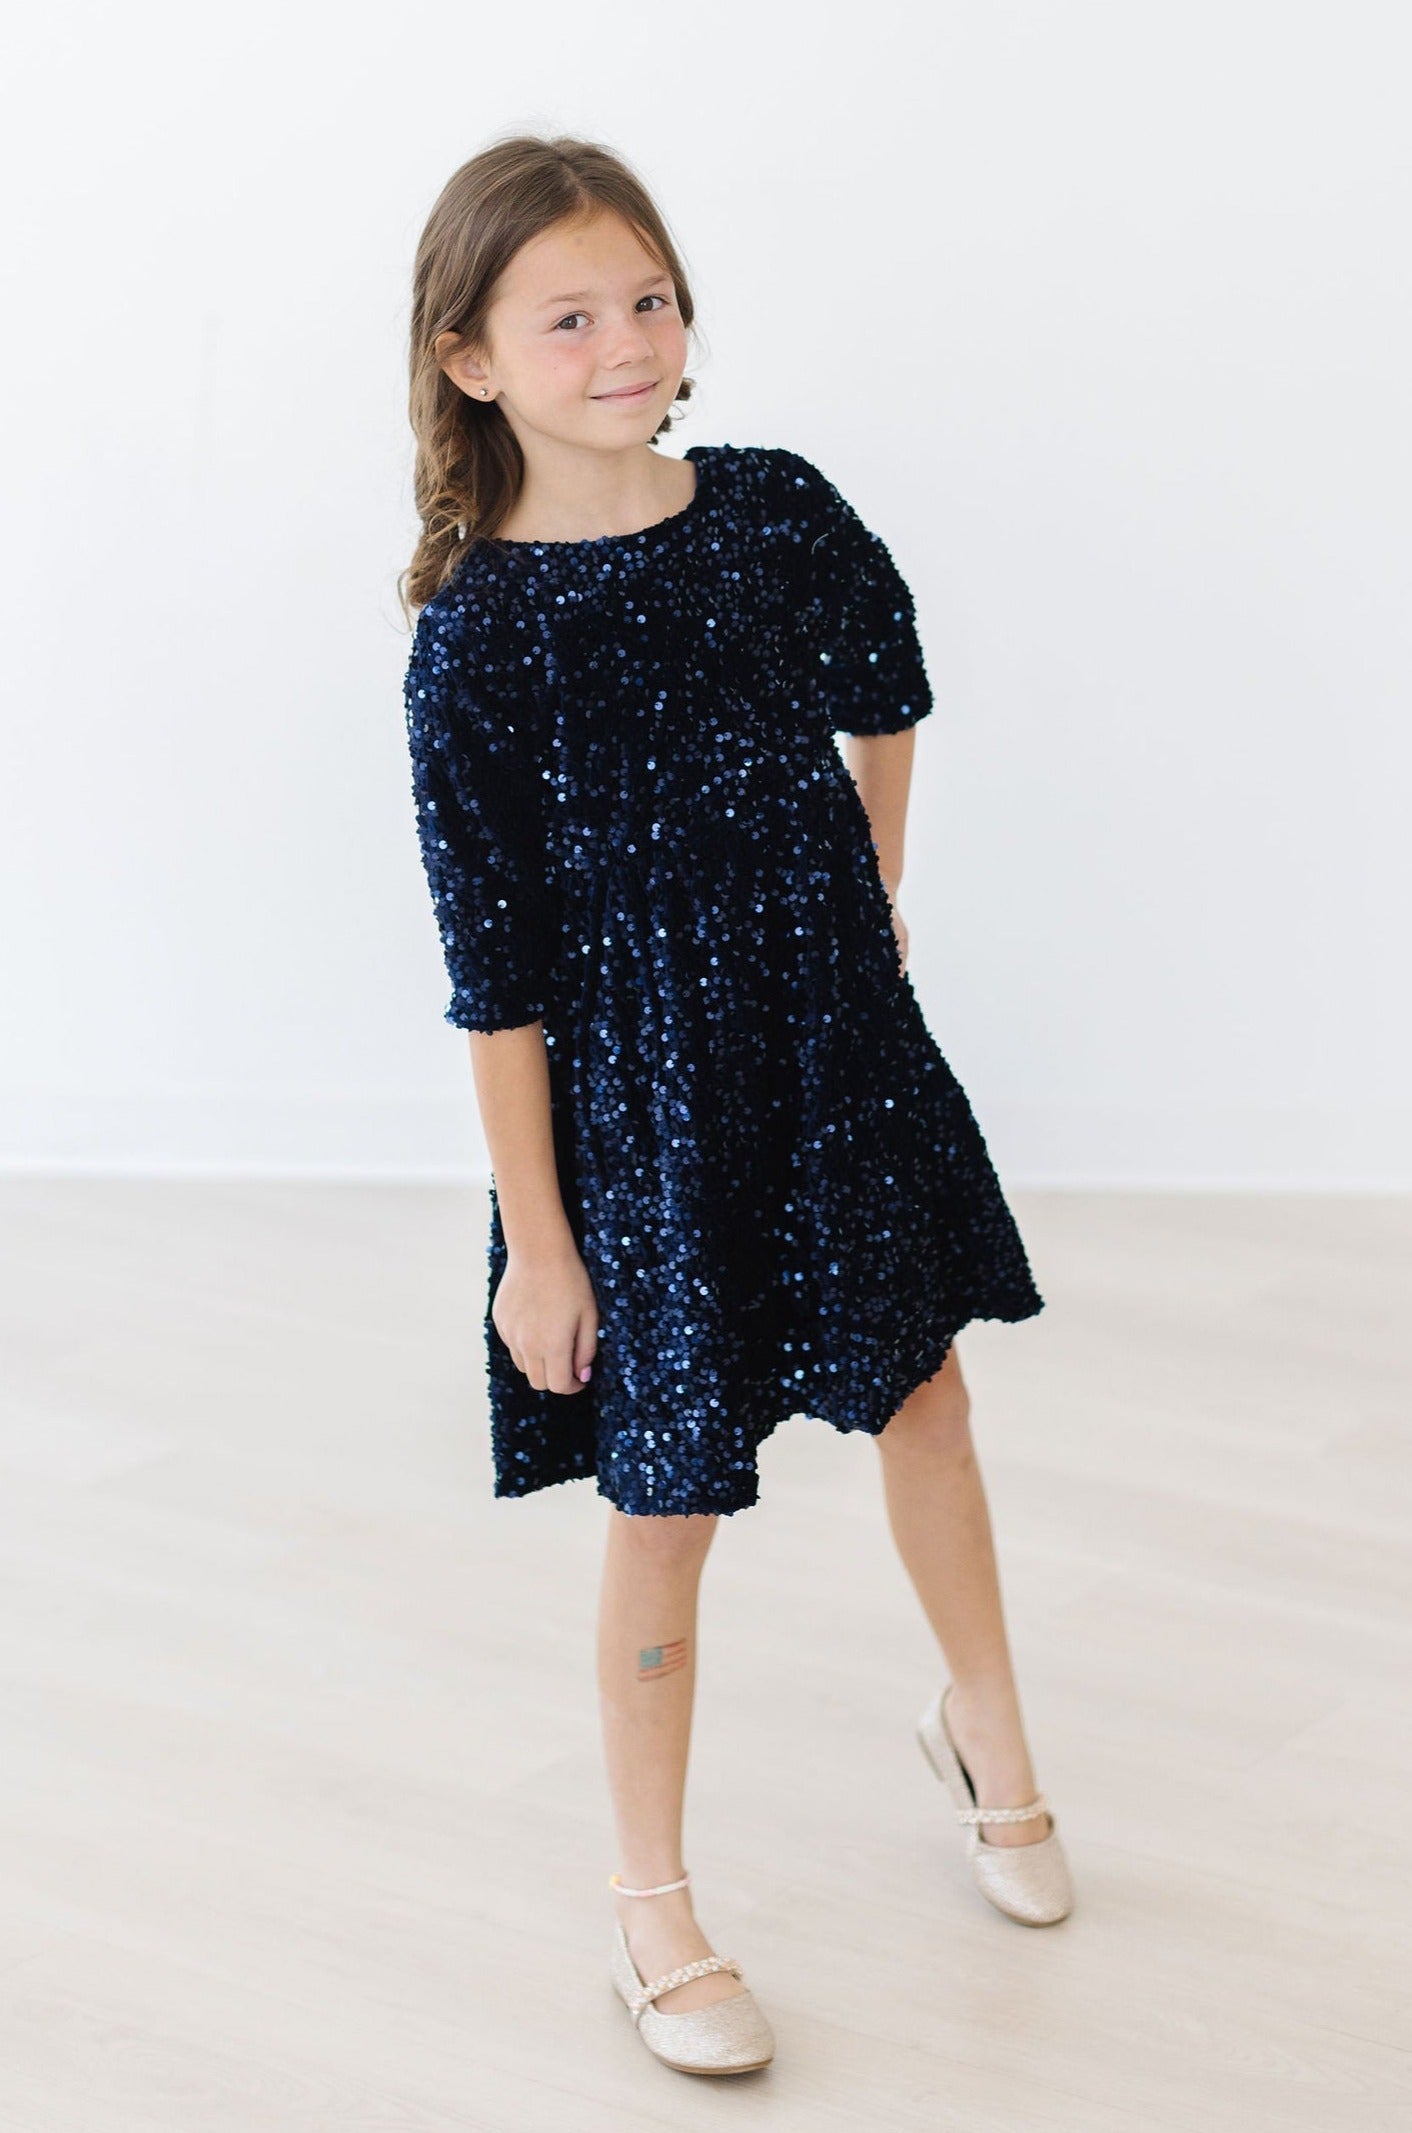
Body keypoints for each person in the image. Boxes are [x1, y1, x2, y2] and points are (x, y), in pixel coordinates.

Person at [399, 132, 1074, 2077]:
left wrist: (869, 886)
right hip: (645, 1126)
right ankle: (652, 1899)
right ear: (468, 357)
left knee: (924, 1393)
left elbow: (887, 684)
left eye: (648, 299)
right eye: (569, 317)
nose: (626, 341)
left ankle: (987, 1726)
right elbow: (497, 977)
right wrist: (539, 1241)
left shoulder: (772, 511)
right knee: (669, 1498)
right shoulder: (479, 638)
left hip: (833, 1058)